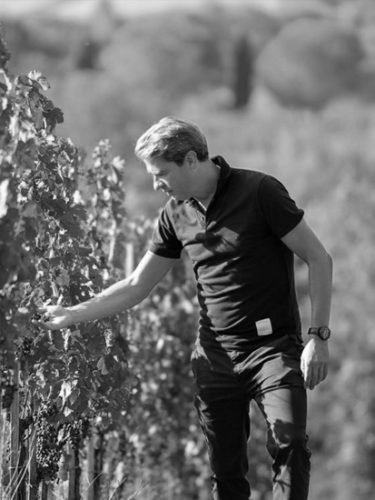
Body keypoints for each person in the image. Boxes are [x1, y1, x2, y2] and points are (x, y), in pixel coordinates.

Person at [39, 116, 332, 500]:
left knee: (290, 445)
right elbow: (136, 285)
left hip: (273, 349)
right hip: (216, 356)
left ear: (191, 160)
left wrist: (318, 337)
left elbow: (319, 258)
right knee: (226, 474)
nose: (157, 184)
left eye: (161, 174)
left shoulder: (260, 191)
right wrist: (72, 313)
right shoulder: (175, 214)